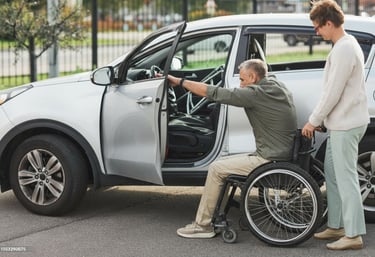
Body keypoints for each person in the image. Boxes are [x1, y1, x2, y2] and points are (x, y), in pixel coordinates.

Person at [167, 59, 297, 239]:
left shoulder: (255, 93)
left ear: (253, 77)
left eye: (243, 79)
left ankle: (203, 226)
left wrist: (179, 81)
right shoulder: (275, 85)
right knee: (223, 164)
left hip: (269, 158)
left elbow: (213, 93)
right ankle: (214, 216)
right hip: (280, 151)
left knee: (216, 168)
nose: (240, 84)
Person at [302, 0, 369, 251]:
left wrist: (313, 121)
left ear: (329, 23)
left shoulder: (343, 49)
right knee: (332, 174)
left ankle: (353, 235)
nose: (316, 32)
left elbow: (332, 93)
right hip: (342, 122)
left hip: (346, 125)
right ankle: (337, 224)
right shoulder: (346, 45)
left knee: (346, 177)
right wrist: (323, 120)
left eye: (318, 27)